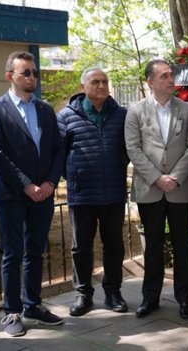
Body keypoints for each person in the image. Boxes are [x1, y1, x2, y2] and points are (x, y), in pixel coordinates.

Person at [0, 51, 65, 336]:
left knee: (36, 252)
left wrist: (50, 184)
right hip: (11, 194)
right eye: (26, 73)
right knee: (13, 254)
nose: (32, 77)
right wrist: (26, 185)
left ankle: (32, 305)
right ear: (10, 76)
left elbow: (57, 149)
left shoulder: (45, 109)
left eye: (34, 72)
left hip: (43, 194)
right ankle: (12, 312)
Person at [125, 58, 188, 320]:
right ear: (151, 82)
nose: (171, 80)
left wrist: (175, 177)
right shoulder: (135, 111)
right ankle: (150, 298)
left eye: (171, 75)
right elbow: (133, 149)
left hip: (179, 189)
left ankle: (184, 299)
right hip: (150, 189)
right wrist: (158, 178)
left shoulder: (187, 109)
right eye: (165, 76)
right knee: (153, 248)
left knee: (182, 247)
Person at [57, 67, 129, 317]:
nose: (101, 86)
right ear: (83, 86)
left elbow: (128, 150)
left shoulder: (122, 115)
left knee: (114, 245)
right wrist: (74, 175)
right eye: (95, 81)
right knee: (81, 247)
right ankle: (83, 294)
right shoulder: (66, 116)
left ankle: (112, 292)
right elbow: (59, 154)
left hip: (113, 193)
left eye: (105, 81)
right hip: (82, 194)